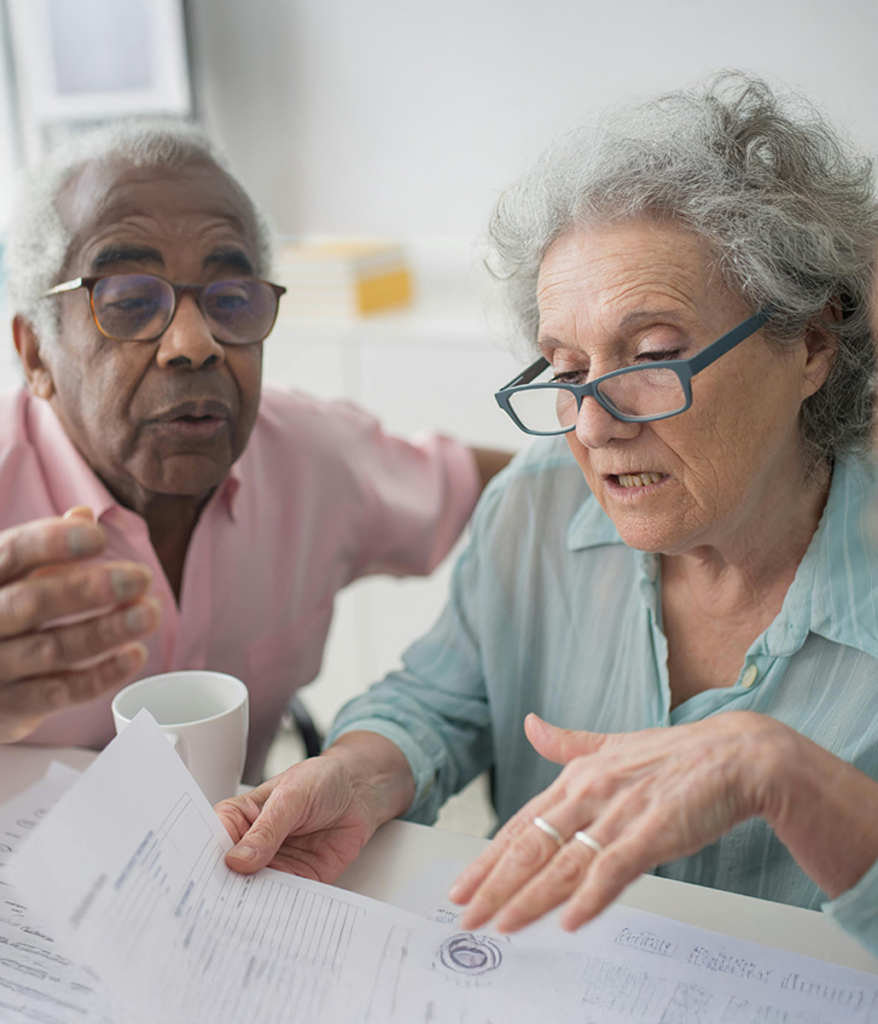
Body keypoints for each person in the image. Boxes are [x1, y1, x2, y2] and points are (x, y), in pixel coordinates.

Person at [217, 73, 878, 956]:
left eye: (651, 356)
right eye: (566, 372)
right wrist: (360, 774)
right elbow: (440, 700)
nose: (595, 426)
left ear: (812, 342)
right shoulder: (537, 503)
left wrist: (787, 776)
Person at [0, 120, 510, 848]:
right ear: (35, 351)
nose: (194, 342)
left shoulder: (315, 458)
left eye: (231, 299)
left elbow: (526, 491)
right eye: (130, 300)